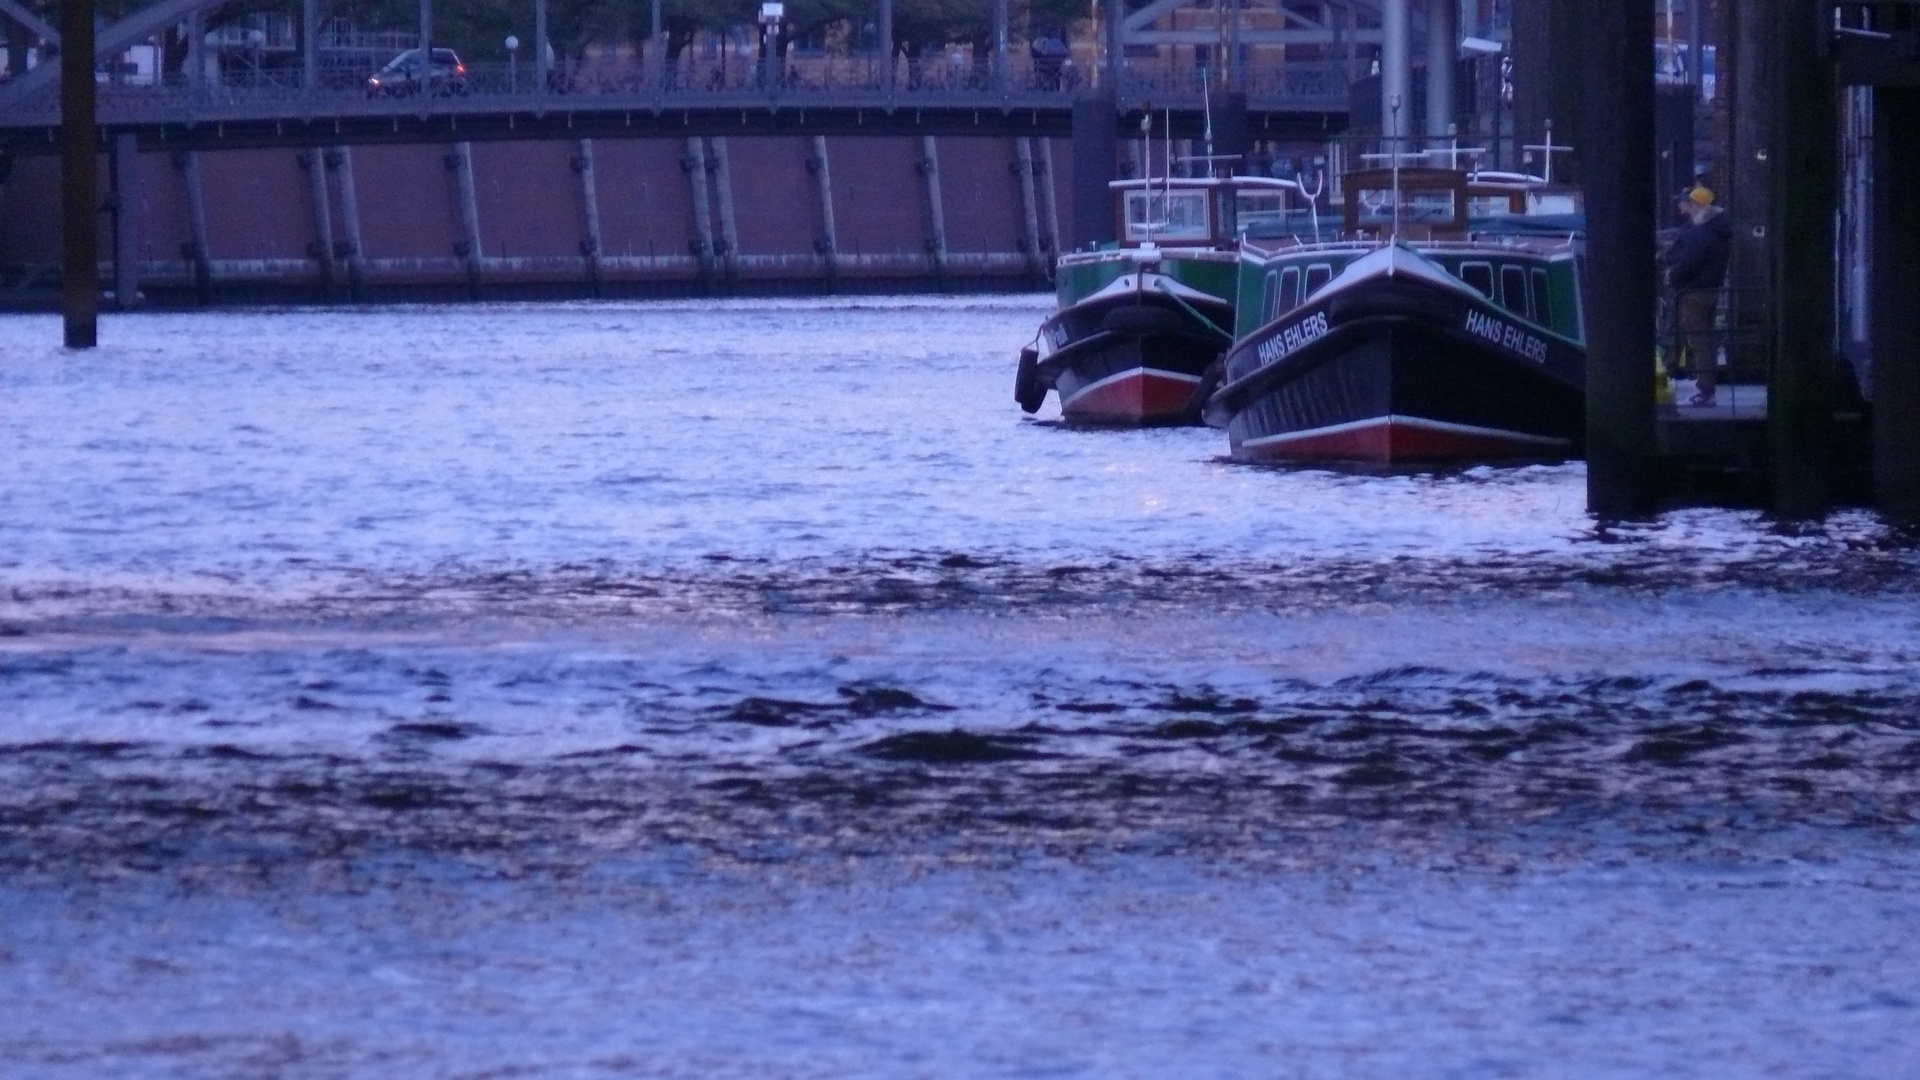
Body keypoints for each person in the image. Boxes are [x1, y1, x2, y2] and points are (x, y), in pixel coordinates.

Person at [1662, 185, 1734, 406]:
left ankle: (1705, 390)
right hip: (1709, 290)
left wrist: (1672, 274)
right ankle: (1705, 384)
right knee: (1706, 339)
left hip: (1694, 293)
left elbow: (1691, 262)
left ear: (1697, 205)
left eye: (1690, 204)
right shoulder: (1718, 229)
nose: (1686, 208)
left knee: (1698, 340)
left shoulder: (1702, 232)